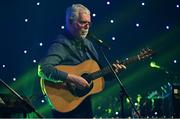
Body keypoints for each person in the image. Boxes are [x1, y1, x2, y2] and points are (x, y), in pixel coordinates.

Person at [38, 3, 126, 118]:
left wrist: (113, 73)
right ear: (70, 22)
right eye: (82, 22)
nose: (87, 27)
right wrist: (73, 78)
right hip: (66, 108)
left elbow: (98, 74)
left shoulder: (88, 44)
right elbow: (43, 69)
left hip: (85, 108)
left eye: (88, 23)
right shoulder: (61, 44)